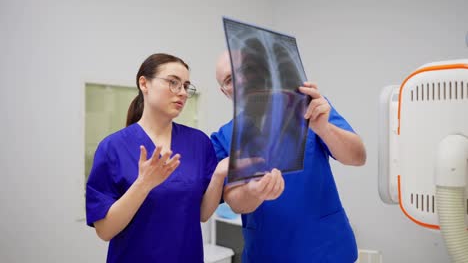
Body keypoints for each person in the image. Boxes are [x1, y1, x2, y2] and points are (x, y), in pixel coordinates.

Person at [211, 51, 367, 262]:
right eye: (229, 80)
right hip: (267, 253)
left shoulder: (308, 107)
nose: (240, 81)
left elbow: (357, 157)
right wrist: (254, 192)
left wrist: (324, 129)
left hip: (327, 250)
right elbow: (236, 203)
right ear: (225, 92)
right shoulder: (225, 136)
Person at [86, 53, 227, 263]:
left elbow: (202, 214)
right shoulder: (112, 148)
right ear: (144, 83)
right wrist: (143, 184)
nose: (182, 93)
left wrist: (219, 174)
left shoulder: (198, 143)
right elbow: (105, 231)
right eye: (173, 83)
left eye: (186, 86)